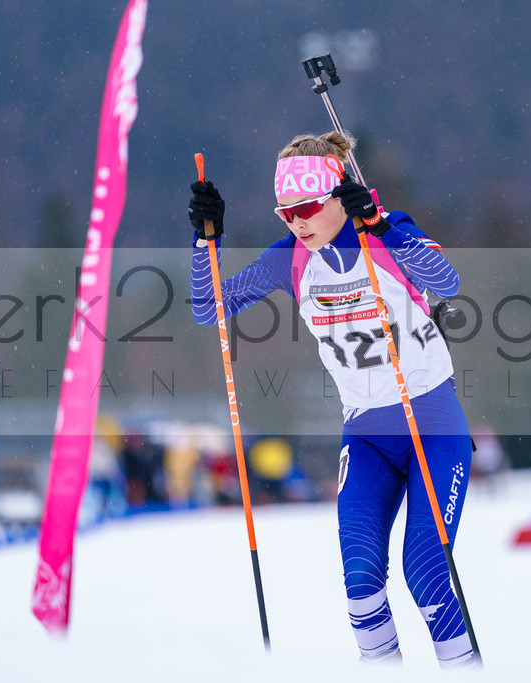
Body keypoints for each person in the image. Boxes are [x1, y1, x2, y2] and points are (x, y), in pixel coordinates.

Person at [186, 132, 476, 668]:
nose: (297, 221)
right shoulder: (289, 260)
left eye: (309, 206)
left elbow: (447, 281)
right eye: (286, 212)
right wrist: (208, 242)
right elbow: (210, 310)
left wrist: (383, 229)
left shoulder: (389, 233)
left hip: (431, 423)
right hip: (366, 434)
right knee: (361, 580)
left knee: (426, 573)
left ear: (340, 196)